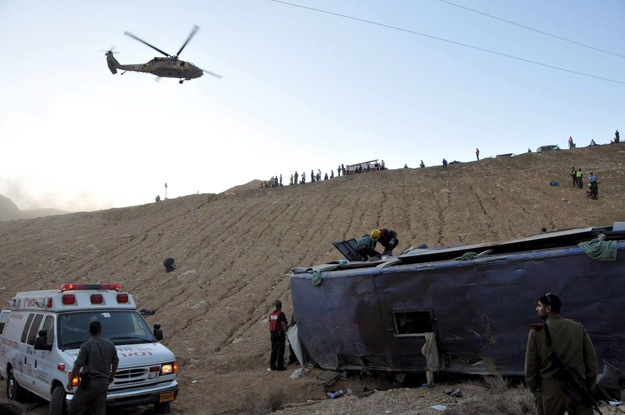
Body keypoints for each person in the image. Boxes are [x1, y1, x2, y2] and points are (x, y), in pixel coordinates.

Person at [525, 293, 597, 415]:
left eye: (539, 306)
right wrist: (588, 386)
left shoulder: (536, 333)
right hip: (578, 388)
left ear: (548, 309)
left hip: (550, 391)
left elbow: (530, 366)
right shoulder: (578, 328)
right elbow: (591, 360)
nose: (537, 309)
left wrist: (536, 390)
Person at [67, 321, 119, 415]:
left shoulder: (86, 345)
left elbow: (78, 365)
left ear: (89, 331)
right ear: (101, 330)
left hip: (89, 383)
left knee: (74, 407)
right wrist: (111, 375)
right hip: (103, 383)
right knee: (98, 410)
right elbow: (115, 362)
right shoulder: (110, 345)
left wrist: (71, 380)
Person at [269, 300, 288, 371]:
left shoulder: (271, 314)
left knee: (274, 350)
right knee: (280, 350)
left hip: (272, 334)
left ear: (275, 306)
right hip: (279, 334)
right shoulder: (281, 314)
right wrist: (286, 331)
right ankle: (280, 366)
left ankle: (272, 366)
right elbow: (283, 324)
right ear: (281, 306)